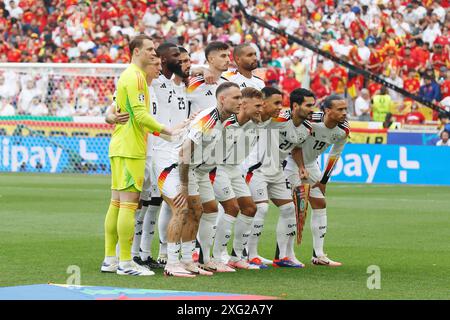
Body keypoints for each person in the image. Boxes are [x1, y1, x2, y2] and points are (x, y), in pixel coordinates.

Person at [100, 35, 178, 277]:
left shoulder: (131, 76)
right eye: (149, 50)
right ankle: (125, 262)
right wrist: (169, 131)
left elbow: (119, 110)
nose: (154, 54)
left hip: (122, 145)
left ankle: (110, 259)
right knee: (128, 205)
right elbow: (141, 116)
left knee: (116, 204)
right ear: (135, 52)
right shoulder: (134, 77)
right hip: (130, 147)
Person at [176, 82, 243, 273]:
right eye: (236, 98)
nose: (240, 102)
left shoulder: (227, 119)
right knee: (193, 211)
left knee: (211, 210)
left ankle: (205, 259)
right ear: (222, 99)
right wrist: (184, 183)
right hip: (184, 168)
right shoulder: (207, 120)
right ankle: (185, 260)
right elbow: (185, 151)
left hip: (201, 170)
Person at [246, 87, 314, 268]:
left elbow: (296, 147)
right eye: (309, 105)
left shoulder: (307, 127)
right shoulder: (279, 117)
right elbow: (259, 116)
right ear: (295, 106)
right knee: (261, 209)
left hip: (277, 171)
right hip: (258, 168)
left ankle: (284, 257)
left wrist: (301, 167)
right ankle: (250, 255)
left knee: (289, 209)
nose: (312, 109)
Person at [284, 95, 350, 267]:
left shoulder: (343, 130)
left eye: (345, 109)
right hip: (291, 162)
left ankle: (319, 255)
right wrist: (300, 167)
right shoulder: (311, 120)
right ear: (328, 110)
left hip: (312, 165)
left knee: (320, 203)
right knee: (295, 208)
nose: (344, 113)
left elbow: (335, 154)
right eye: (340, 109)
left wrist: (323, 180)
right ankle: (285, 255)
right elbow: (295, 144)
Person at [211, 87, 264, 270]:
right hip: (217, 168)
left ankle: (236, 257)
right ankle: (217, 258)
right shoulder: (225, 122)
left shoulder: (255, 124)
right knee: (231, 207)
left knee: (250, 208)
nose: (260, 109)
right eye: (257, 105)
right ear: (244, 104)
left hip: (234, 169)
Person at [187, 41, 230, 114]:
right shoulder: (195, 83)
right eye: (223, 56)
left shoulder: (227, 84)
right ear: (211, 59)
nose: (228, 60)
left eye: (228, 55)